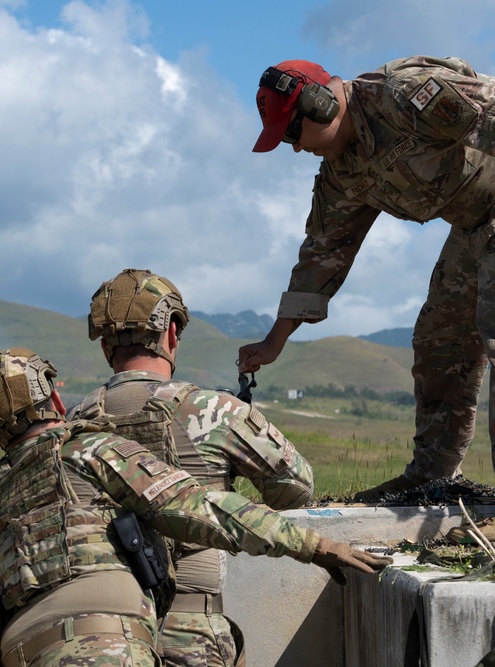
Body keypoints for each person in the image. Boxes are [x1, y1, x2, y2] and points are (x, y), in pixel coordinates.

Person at [239, 57, 495, 539]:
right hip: (476, 220)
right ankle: (433, 478)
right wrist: (276, 340)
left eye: (291, 135)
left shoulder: (403, 95)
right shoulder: (342, 169)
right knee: (441, 337)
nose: (294, 150)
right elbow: (322, 253)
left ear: (317, 106)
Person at [0, 347, 390, 667]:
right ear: (56, 402)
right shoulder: (85, 449)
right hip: (105, 647)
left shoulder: (3, 487)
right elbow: (197, 508)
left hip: (20, 652)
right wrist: (313, 545)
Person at [71, 268, 315, 667]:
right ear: (170, 333)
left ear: (104, 347)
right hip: (191, 634)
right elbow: (296, 489)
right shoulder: (214, 410)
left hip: (102, 639)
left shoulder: (71, 426)